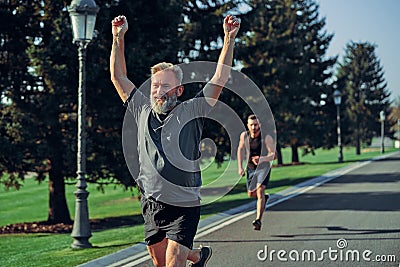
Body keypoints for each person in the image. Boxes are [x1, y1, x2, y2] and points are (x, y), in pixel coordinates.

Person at [110, 14, 240, 267]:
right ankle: (199, 256)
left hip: (184, 203)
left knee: (172, 263)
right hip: (152, 203)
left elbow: (219, 79)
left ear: (179, 90)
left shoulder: (192, 109)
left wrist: (229, 39)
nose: (158, 91)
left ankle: (190, 254)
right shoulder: (142, 109)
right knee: (160, 264)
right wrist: (118, 37)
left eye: (165, 86)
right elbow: (119, 77)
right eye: (155, 86)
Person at [237, 114, 275, 231]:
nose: (254, 127)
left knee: (260, 190)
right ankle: (264, 198)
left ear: (260, 125)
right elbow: (240, 149)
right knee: (251, 193)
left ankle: (258, 220)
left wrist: (262, 159)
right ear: (248, 126)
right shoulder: (245, 136)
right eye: (252, 125)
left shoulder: (266, 137)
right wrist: (240, 167)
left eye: (256, 125)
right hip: (251, 168)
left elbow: (273, 154)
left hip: (263, 167)